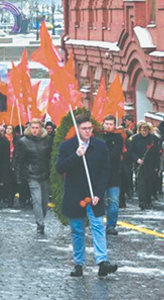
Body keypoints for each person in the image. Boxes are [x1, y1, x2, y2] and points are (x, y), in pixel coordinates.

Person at [56, 114, 118, 277]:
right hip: (75, 194)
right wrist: (76, 155)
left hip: (94, 194)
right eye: (84, 128)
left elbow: (106, 170)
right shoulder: (67, 146)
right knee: (77, 230)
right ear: (77, 129)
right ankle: (78, 264)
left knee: (98, 226)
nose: (88, 131)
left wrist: (99, 192)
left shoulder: (100, 145)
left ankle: (102, 262)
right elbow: (60, 168)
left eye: (90, 128)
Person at [15, 118, 52, 234]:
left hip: (45, 174)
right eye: (33, 128)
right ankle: (40, 224)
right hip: (31, 174)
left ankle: (41, 218)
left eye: (37, 128)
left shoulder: (47, 140)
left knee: (45, 201)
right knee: (36, 200)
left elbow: (51, 156)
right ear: (29, 128)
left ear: (41, 128)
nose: (35, 130)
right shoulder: (23, 141)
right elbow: (19, 160)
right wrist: (18, 177)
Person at [128, 121, 161, 210]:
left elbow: (157, 153)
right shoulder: (135, 139)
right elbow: (130, 152)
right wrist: (137, 159)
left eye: (146, 130)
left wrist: (157, 166)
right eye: (142, 130)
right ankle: (142, 201)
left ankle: (148, 200)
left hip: (150, 164)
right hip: (140, 164)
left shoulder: (153, 139)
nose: (144, 132)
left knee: (149, 183)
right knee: (141, 183)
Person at [101, 115, 123, 235]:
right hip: (100, 175)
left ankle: (111, 225)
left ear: (114, 125)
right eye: (107, 124)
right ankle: (100, 224)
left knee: (113, 202)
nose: (108, 126)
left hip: (114, 175)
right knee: (101, 202)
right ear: (103, 124)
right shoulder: (99, 137)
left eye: (111, 124)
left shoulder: (118, 138)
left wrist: (103, 157)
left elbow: (115, 154)